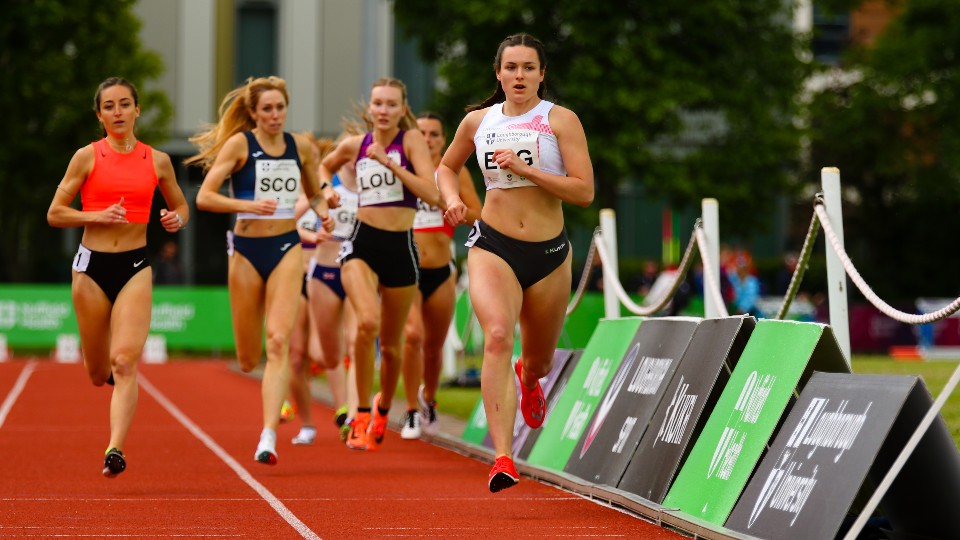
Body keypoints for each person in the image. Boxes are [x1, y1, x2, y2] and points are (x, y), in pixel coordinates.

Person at [437, 33, 594, 492]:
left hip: (548, 255)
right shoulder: (476, 122)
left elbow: (583, 192)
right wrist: (451, 200)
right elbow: (447, 167)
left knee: (539, 362)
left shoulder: (560, 120)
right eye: (511, 67)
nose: (519, 75)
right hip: (493, 245)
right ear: (498, 73)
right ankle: (503, 457)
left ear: (542, 74)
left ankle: (530, 378)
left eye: (528, 67)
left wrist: (528, 171)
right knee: (498, 336)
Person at [186, 76, 333, 465]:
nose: (274, 115)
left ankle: (268, 434)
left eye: (280, 108)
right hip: (247, 250)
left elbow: (316, 192)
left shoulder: (300, 147)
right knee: (250, 356)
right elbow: (205, 197)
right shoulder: (240, 146)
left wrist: (324, 214)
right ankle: (260, 391)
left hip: (286, 245)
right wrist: (249, 206)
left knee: (279, 341)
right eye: (266, 109)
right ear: (253, 113)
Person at [47, 77, 189, 477]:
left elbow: (181, 206)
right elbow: (55, 213)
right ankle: (106, 373)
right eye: (109, 106)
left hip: (134, 268)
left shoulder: (157, 160)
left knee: (125, 361)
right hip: (91, 269)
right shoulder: (86, 157)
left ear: (137, 110)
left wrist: (176, 218)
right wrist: (96, 215)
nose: (118, 112)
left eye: (125, 104)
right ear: (100, 115)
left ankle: (115, 449)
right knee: (98, 373)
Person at [318, 77, 437, 451]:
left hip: (401, 246)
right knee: (366, 323)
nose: (383, 111)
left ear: (403, 109)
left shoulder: (412, 141)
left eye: (390, 104)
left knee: (393, 344)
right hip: (362, 242)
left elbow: (430, 192)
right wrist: (328, 191)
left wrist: (391, 165)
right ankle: (361, 414)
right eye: (377, 104)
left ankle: (384, 408)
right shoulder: (356, 145)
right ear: (369, 108)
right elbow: (324, 165)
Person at [399, 112, 482, 440]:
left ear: (443, 139)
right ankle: (408, 410)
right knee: (412, 336)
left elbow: (479, 212)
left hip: (441, 269)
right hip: (406, 267)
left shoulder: (452, 173)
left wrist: (457, 208)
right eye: (422, 133)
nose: (429, 139)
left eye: (434, 133)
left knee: (433, 346)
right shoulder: (401, 171)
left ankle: (428, 400)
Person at [285, 134, 349, 446]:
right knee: (297, 356)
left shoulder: (330, 188)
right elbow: (278, 223)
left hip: (323, 275)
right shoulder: (288, 190)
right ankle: (307, 424)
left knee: (325, 352)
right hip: (294, 277)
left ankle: (346, 414)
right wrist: (307, 233)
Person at [306, 156, 360, 442]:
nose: (354, 161)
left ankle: (351, 413)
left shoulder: (369, 187)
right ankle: (341, 403)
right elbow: (294, 215)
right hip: (324, 270)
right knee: (326, 352)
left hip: (354, 268)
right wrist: (311, 230)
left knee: (354, 341)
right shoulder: (327, 186)